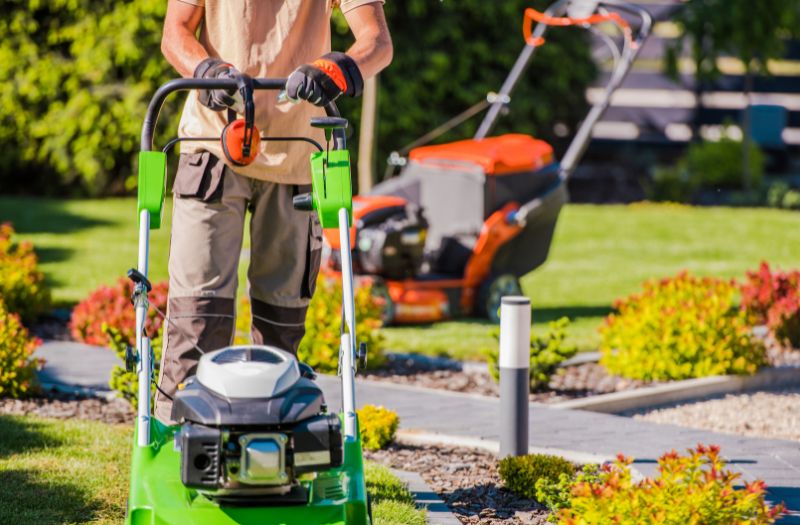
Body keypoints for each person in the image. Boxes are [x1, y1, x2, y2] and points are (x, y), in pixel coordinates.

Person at [155, 0, 393, 422]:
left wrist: (336, 70)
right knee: (196, 316)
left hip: (298, 153)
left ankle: (273, 445)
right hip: (213, 145)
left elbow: (376, 42)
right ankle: (176, 441)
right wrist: (205, 69)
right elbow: (175, 32)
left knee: (280, 325)